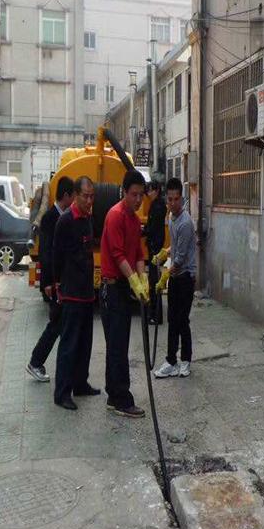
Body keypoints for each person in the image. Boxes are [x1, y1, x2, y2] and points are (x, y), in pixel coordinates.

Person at [99, 169, 150, 418]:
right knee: (117, 346)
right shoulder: (115, 216)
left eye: (141, 195)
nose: (138, 200)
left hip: (123, 286)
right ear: (124, 192)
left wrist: (143, 279)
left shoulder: (134, 219)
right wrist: (132, 280)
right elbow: (117, 254)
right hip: (112, 287)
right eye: (134, 195)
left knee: (117, 344)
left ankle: (113, 394)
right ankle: (122, 399)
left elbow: (138, 253)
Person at [52, 176, 100, 410]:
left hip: (87, 291)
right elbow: (56, 257)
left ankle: (80, 383)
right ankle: (62, 392)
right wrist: (57, 286)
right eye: (85, 196)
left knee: (84, 342)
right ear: (76, 195)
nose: (89, 201)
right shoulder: (66, 221)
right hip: (71, 292)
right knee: (69, 344)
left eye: (92, 197)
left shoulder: (88, 218)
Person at [26, 176, 75, 382]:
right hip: (53, 281)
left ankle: (66, 368)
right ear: (66, 196)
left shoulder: (66, 216)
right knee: (56, 323)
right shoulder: (50, 218)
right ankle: (36, 362)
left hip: (64, 279)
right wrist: (46, 282)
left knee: (61, 323)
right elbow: (46, 252)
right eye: (73, 196)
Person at [153, 177, 197, 379]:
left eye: (176, 199)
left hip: (185, 277)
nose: (172, 203)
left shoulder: (185, 223)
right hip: (176, 277)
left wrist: (164, 277)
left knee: (181, 320)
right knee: (172, 319)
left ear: (182, 198)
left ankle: (185, 360)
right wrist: (164, 252)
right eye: (169, 199)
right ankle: (171, 361)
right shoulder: (171, 217)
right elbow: (176, 246)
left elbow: (179, 259)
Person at [142, 180, 167, 325]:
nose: (148, 193)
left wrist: (143, 231)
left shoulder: (158, 206)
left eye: (150, 190)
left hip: (155, 249)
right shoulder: (156, 204)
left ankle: (156, 316)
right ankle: (154, 314)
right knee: (154, 281)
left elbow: (153, 228)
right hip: (154, 247)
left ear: (156, 190)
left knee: (154, 282)